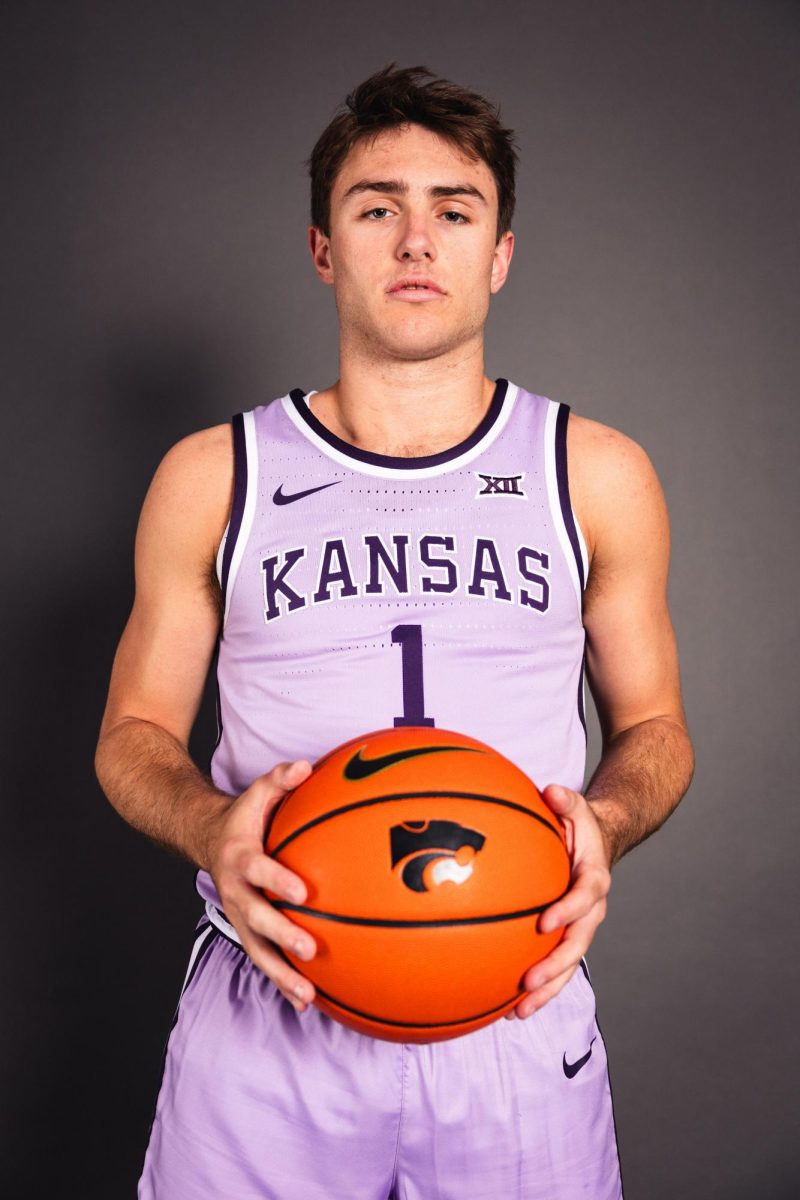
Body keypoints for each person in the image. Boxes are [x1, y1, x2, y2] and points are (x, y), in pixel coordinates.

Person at [95, 63, 694, 1200]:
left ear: (499, 253)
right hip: (270, 1009)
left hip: (512, 1003)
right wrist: (210, 824)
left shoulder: (595, 473)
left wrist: (601, 828)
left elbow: (657, 727)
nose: (416, 241)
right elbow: (131, 733)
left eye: (452, 211)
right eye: (377, 208)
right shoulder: (215, 477)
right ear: (324, 246)